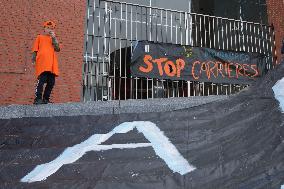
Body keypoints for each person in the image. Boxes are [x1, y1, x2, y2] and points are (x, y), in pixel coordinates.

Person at [32, 21, 60, 104]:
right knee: (41, 81)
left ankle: (46, 99)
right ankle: (38, 98)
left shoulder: (53, 39)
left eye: (51, 28)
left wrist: (54, 38)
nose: (49, 30)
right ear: (44, 29)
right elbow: (35, 49)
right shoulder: (39, 37)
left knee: (51, 82)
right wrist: (33, 60)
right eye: (48, 28)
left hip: (51, 65)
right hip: (42, 63)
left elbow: (57, 48)